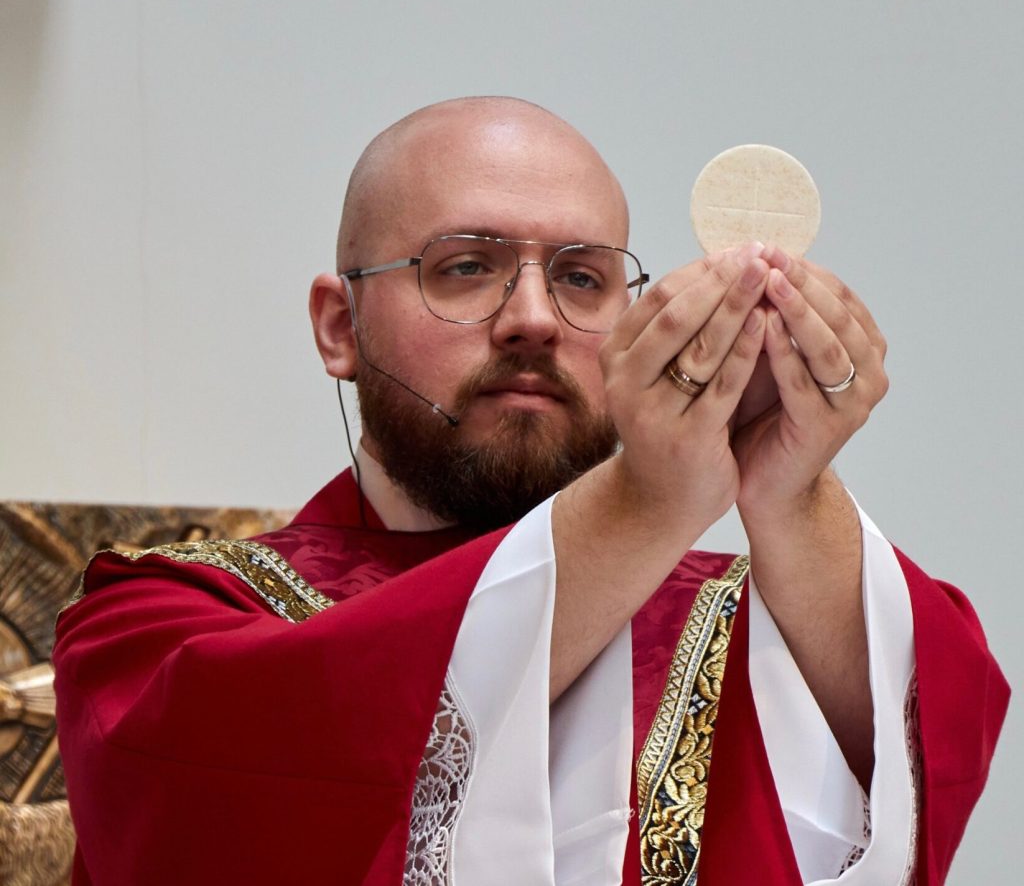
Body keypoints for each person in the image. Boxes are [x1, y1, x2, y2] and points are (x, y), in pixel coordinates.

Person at [53, 97, 1008, 885]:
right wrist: (645, 500)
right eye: (465, 268)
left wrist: (790, 487)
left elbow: (933, 726)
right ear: (340, 325)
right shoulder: (162, 615)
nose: (534, 319)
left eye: (583, 279)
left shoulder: (762, 614)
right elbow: (220, 788)